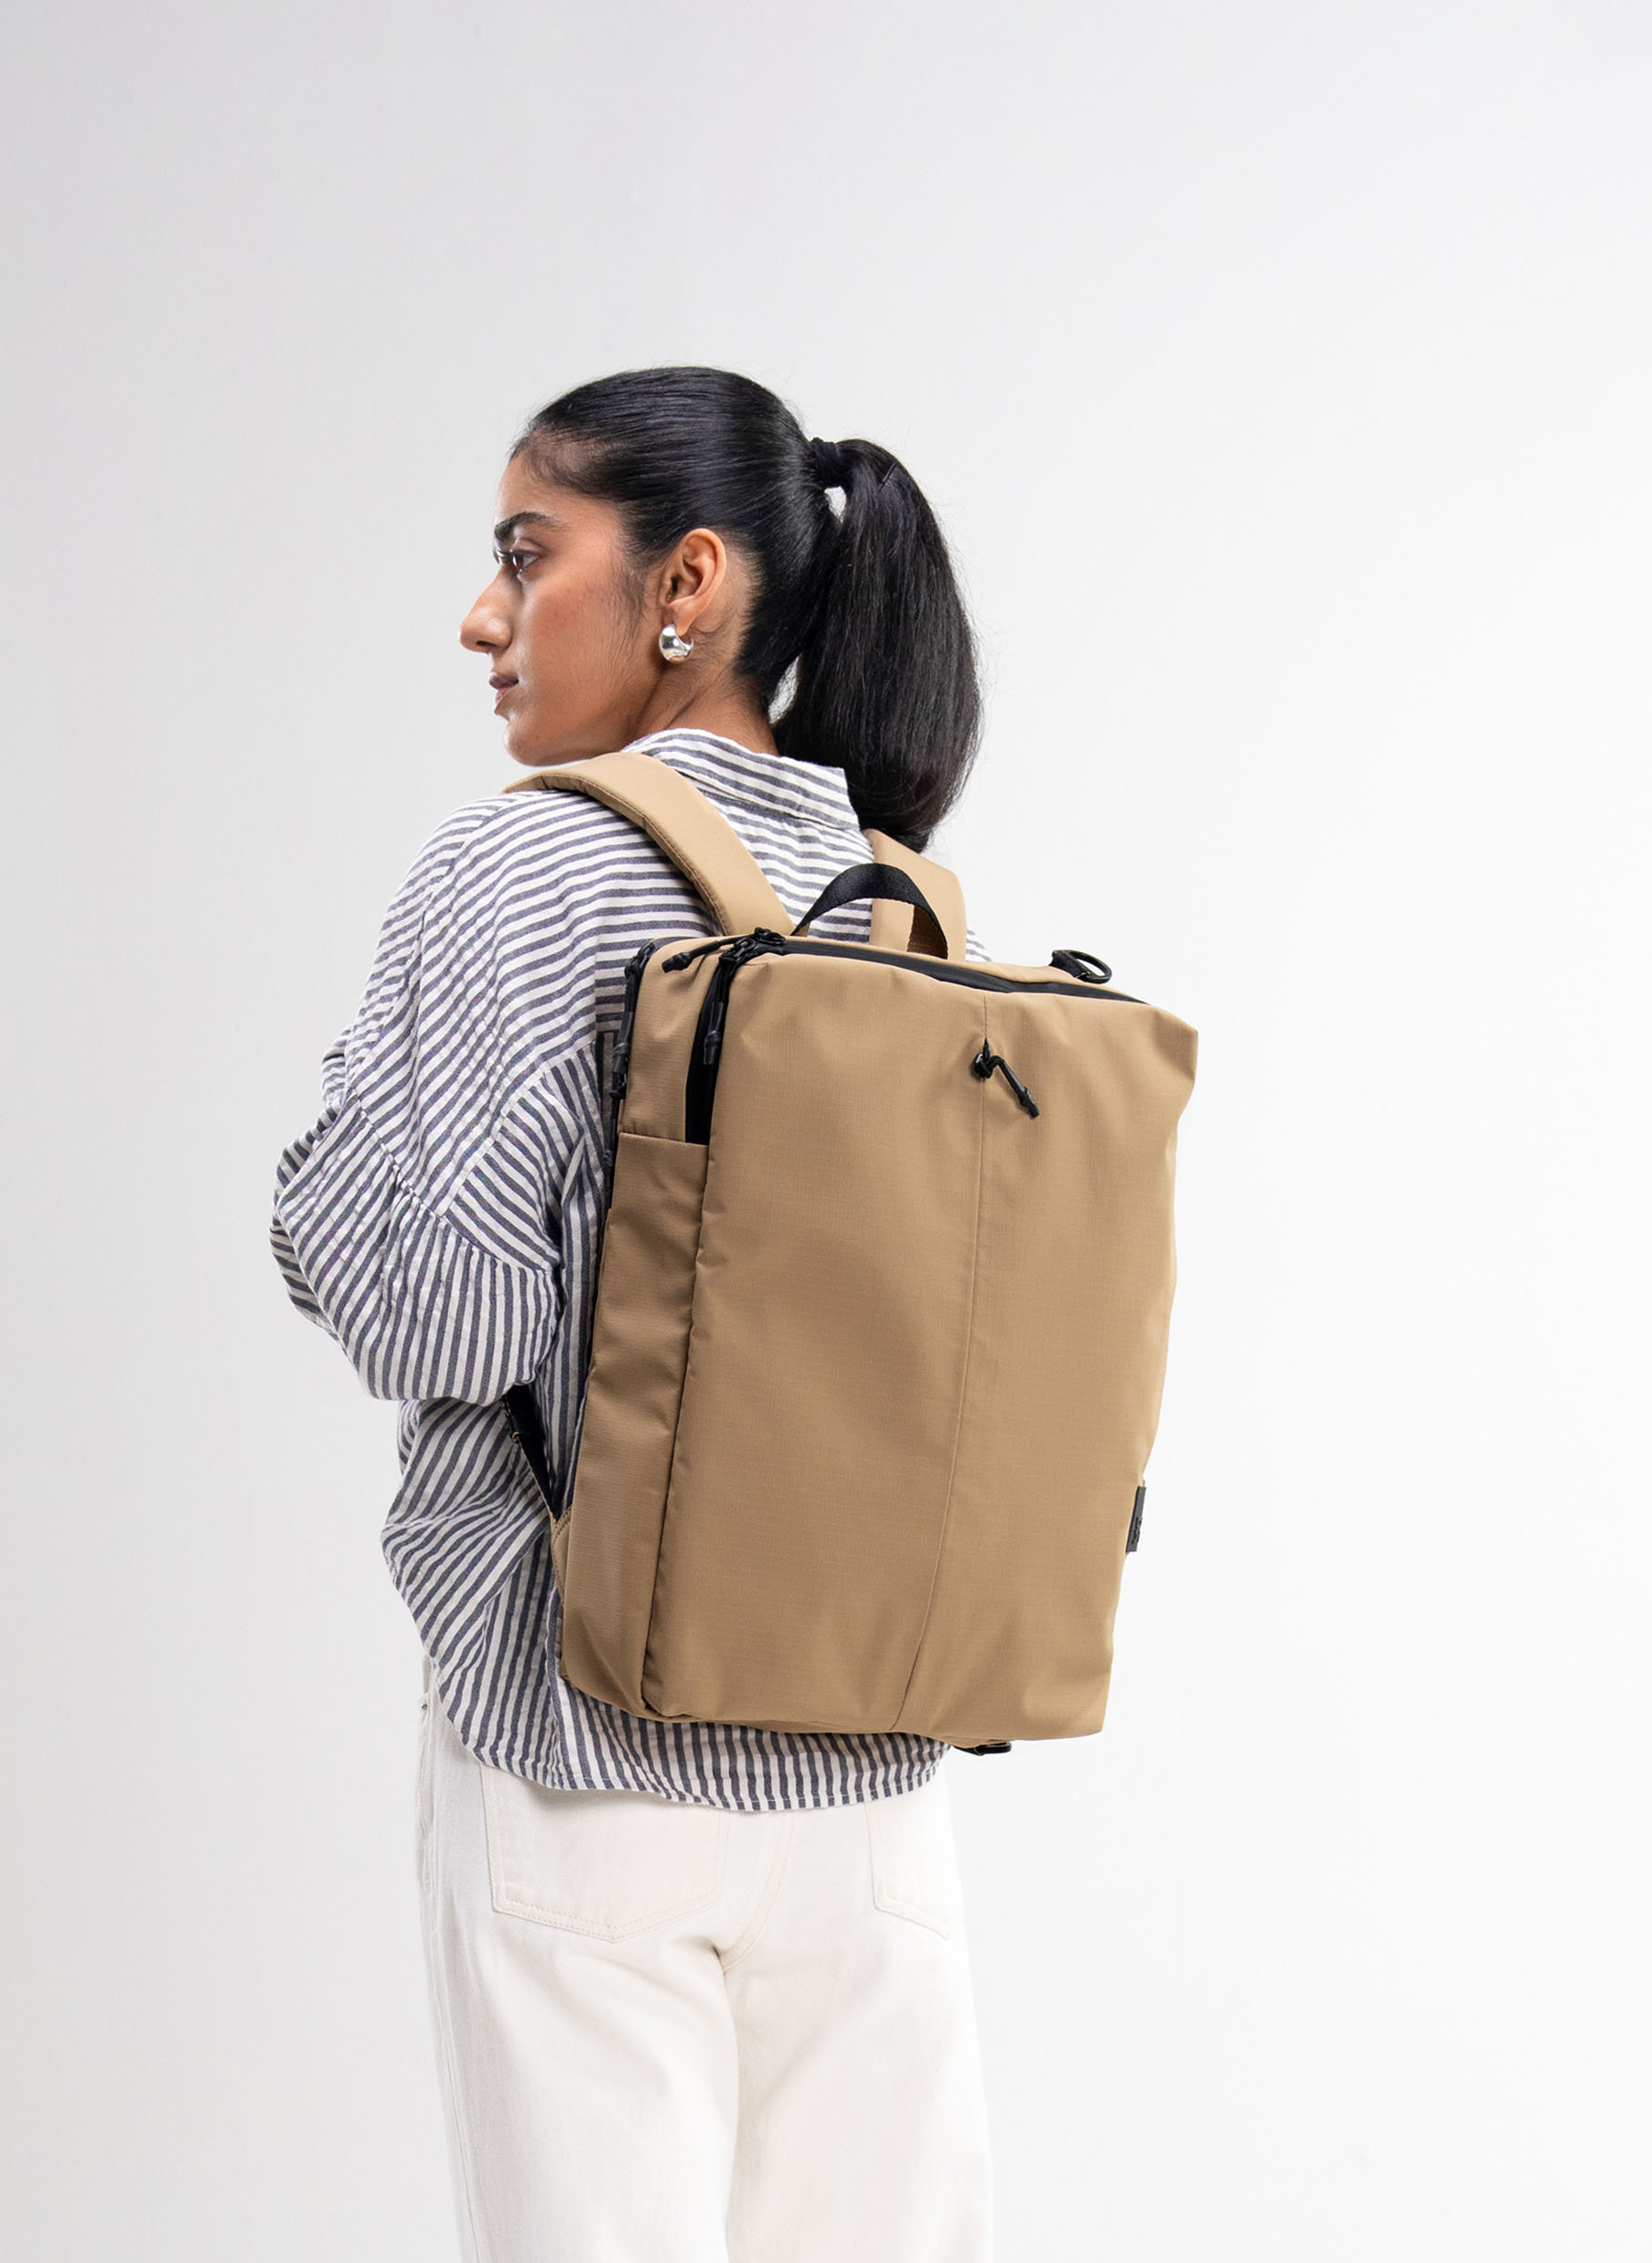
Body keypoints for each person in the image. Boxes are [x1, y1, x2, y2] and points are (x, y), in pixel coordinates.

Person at [272, 367, 996, 2262]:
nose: (483, 615)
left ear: (687, 584)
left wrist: (317, 1172)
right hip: (870, 1776)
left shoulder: (518, 863)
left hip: (581, 1755)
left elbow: (437, 1317)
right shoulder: (900, 896)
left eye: (528, 554)